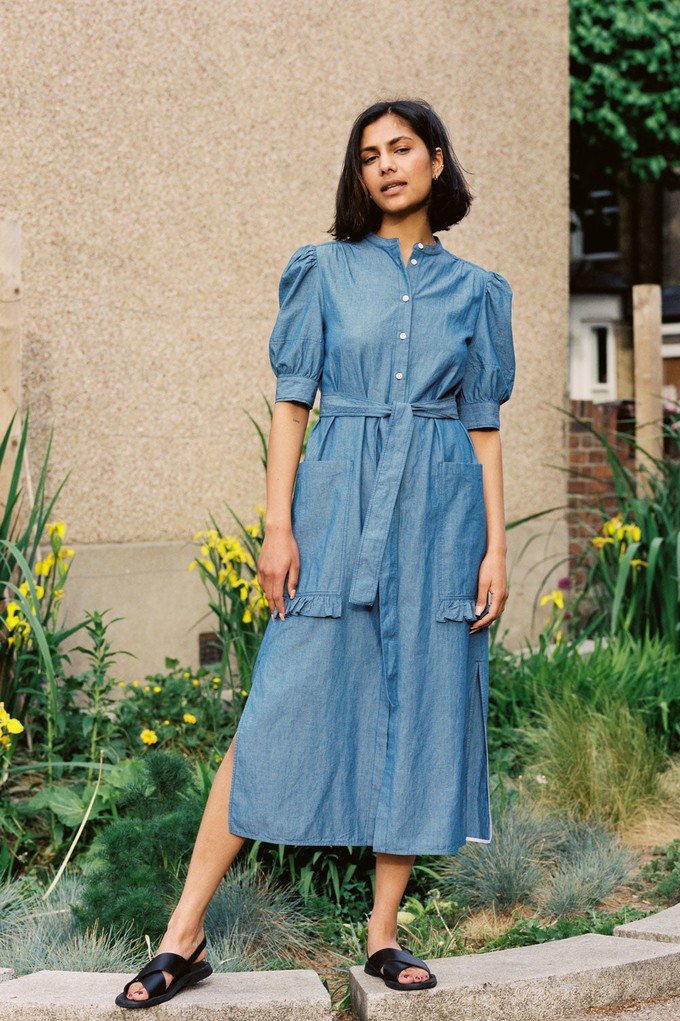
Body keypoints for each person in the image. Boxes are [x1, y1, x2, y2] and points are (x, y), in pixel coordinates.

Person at [115, 97, 515, 1008]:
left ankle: (382, 934)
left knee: (420, 704)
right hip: (337, 512)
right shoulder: (323, 270)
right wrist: (278, 525)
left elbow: (483, 427)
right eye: (369, 154)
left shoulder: (478, 292)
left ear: (437, 160)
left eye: (402, 148)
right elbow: (294, 404)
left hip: (441, 517)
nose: (386, 165)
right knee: (275, 708)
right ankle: (184, 933)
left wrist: (495, 547)